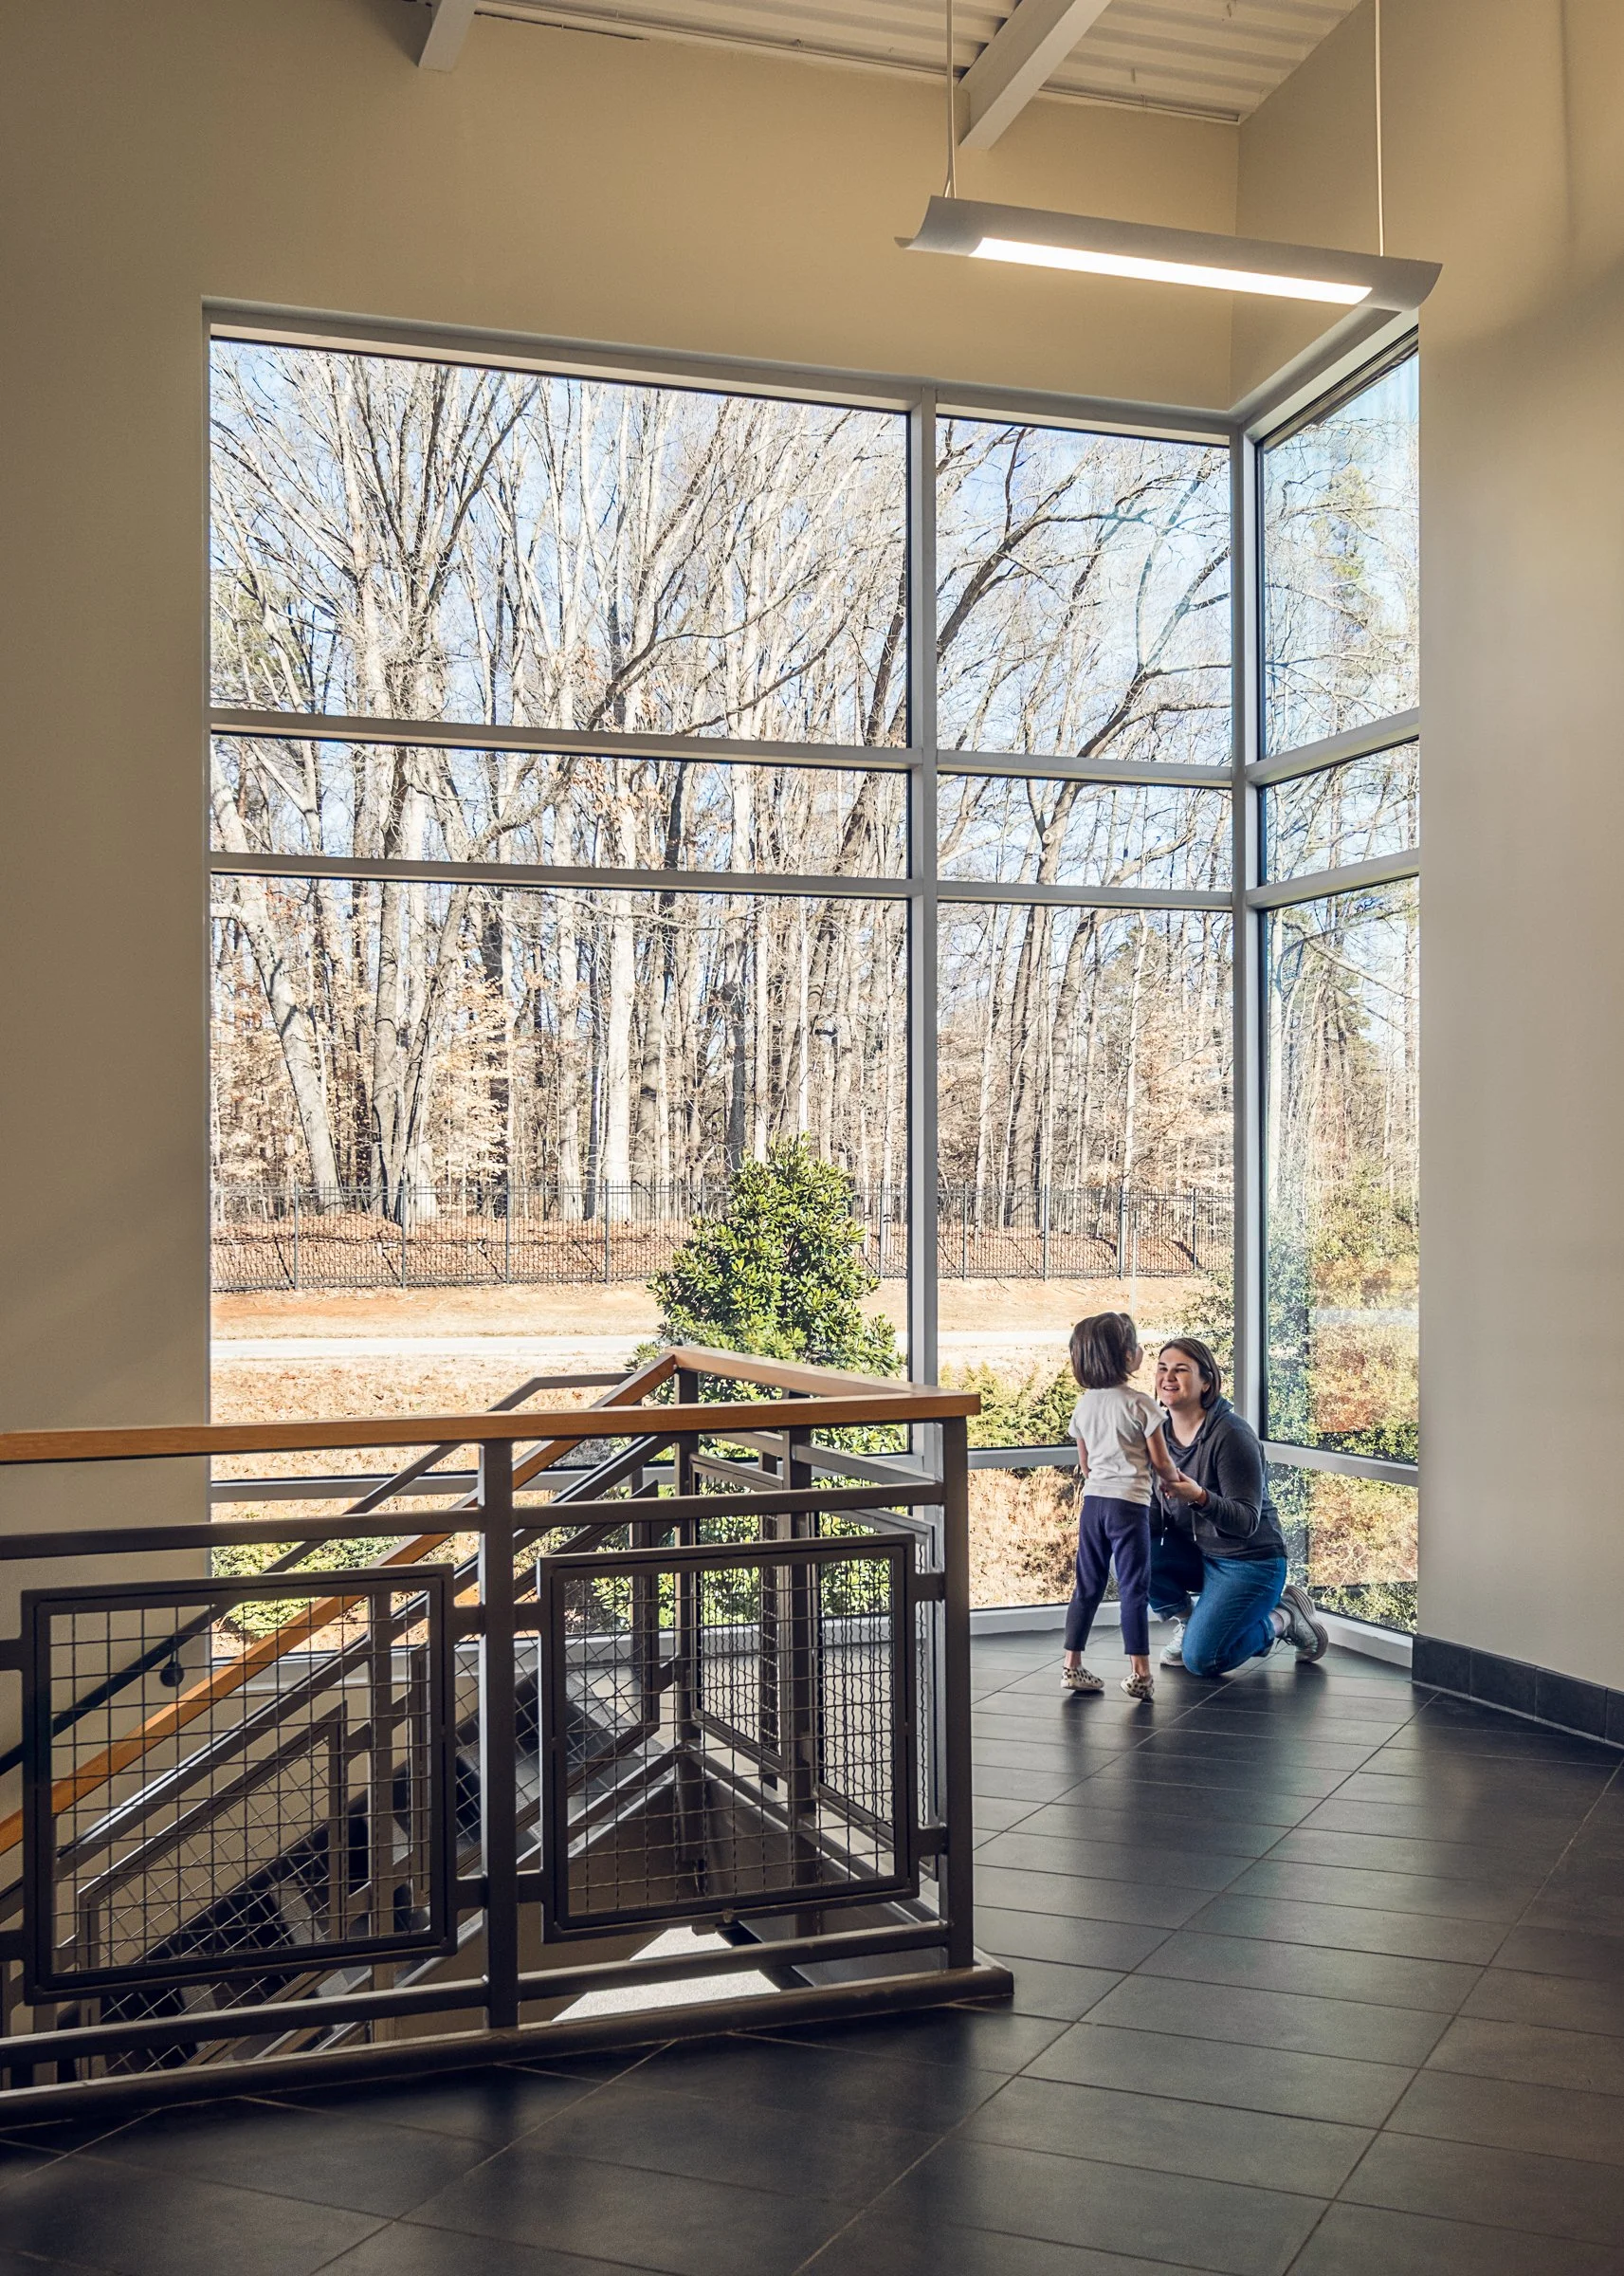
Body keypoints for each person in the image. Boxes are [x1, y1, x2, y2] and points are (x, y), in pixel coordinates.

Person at [1150, 1337, 1327, 1675]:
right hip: (1200, 1554)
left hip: (1250, 1561)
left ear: (1206, 1382)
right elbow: (1154, 1515)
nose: (1168, 1377)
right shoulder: (1157, 1434)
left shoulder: (1231, 1434)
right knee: (1125, 1552)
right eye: (1162, 1368)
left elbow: (1246, 1521)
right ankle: (1191, 1622)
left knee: (1202, 1660)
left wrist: (1198, 1496)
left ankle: (1284, 1618)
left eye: (1180, 1369)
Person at [1062, 1312, 1181, 1702]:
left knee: (1088, 1585)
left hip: (1093, 1504)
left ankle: (1072, 1664)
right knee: (1133, 1587)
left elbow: (1085, 1465)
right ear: (1128, 1357)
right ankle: (1140, 1674)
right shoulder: (1141, 1404)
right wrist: (1173, 1481)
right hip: (1129, 1506)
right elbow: (1161, 1462)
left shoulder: (1084, 1406)